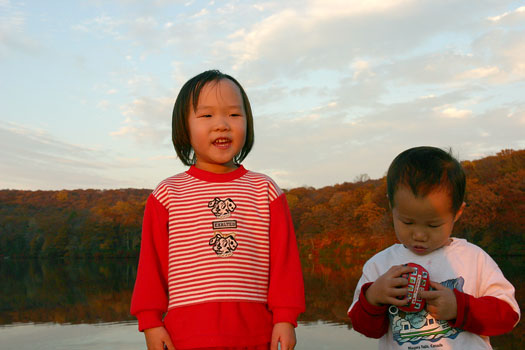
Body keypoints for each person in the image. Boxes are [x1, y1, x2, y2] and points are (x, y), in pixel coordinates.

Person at [131, 70, 305, 350]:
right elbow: (151, 268)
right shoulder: (167, 195)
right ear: (184, 128)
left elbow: (285, 264)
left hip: (257, 335)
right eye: (207, 116)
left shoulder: (265, 190)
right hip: (185, 338)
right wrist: (151, 322)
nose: (222, 124)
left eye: (234, 115)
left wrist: (285, 319)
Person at [348, 146, 520, 349]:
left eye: (433, 225)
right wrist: (373, 297)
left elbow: (508, 316)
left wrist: (460, 307)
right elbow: (365, 328)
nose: (419, 235)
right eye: (407, 222)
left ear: (457, 213)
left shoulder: (473, 258)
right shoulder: (379, 266)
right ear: (391, 207)